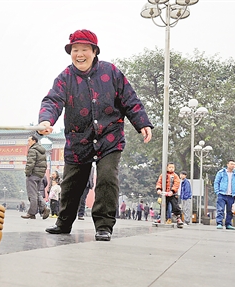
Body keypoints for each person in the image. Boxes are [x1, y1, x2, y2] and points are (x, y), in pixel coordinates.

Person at [38, 29, 154, 241]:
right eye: (75, 50)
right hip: (78, 139)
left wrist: (142, 122)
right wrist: (46, 120)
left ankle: (104, 226)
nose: (79, 54)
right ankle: (64, 223)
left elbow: (130, 99)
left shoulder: (111, 72)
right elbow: (52, 101)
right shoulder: (65, 77)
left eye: (84, 49)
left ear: (94, 51)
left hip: (110, 136)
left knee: (107, 178)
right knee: (72, 183)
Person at [21, 135, 50, 220]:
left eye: (29, 140)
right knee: (37, 193)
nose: (28, 142)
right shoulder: (42, 150)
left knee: (32, 194)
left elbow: (30, 163)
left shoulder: (32, 150)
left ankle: (31, 213)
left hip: (33, 175)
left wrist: (27, 172)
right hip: (40, 175)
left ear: (34, 141)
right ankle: (44, 208)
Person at [156, 162, 183, 228]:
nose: (171, 169)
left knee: (175, 206)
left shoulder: (175, 176)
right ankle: (162, 217)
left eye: (173, 167)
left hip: (173, 194)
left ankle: (178, 218)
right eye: (170, 167)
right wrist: (159, 189)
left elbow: (176, 184)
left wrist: (172, 191)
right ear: (167, 168)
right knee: (163, 206)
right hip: (164, 194)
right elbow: (159, 182)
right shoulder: (163, 175)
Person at [213, 159, 235, 230]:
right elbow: (216, 182)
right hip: (222, 194)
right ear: (227, 165)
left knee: (230, 211)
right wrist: (217, 191)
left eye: (234, 164)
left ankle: (228, 224)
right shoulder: (221, 173)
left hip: (232, 195)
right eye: (231, 164)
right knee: (220, 209)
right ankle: (219, 223)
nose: (233, 165)